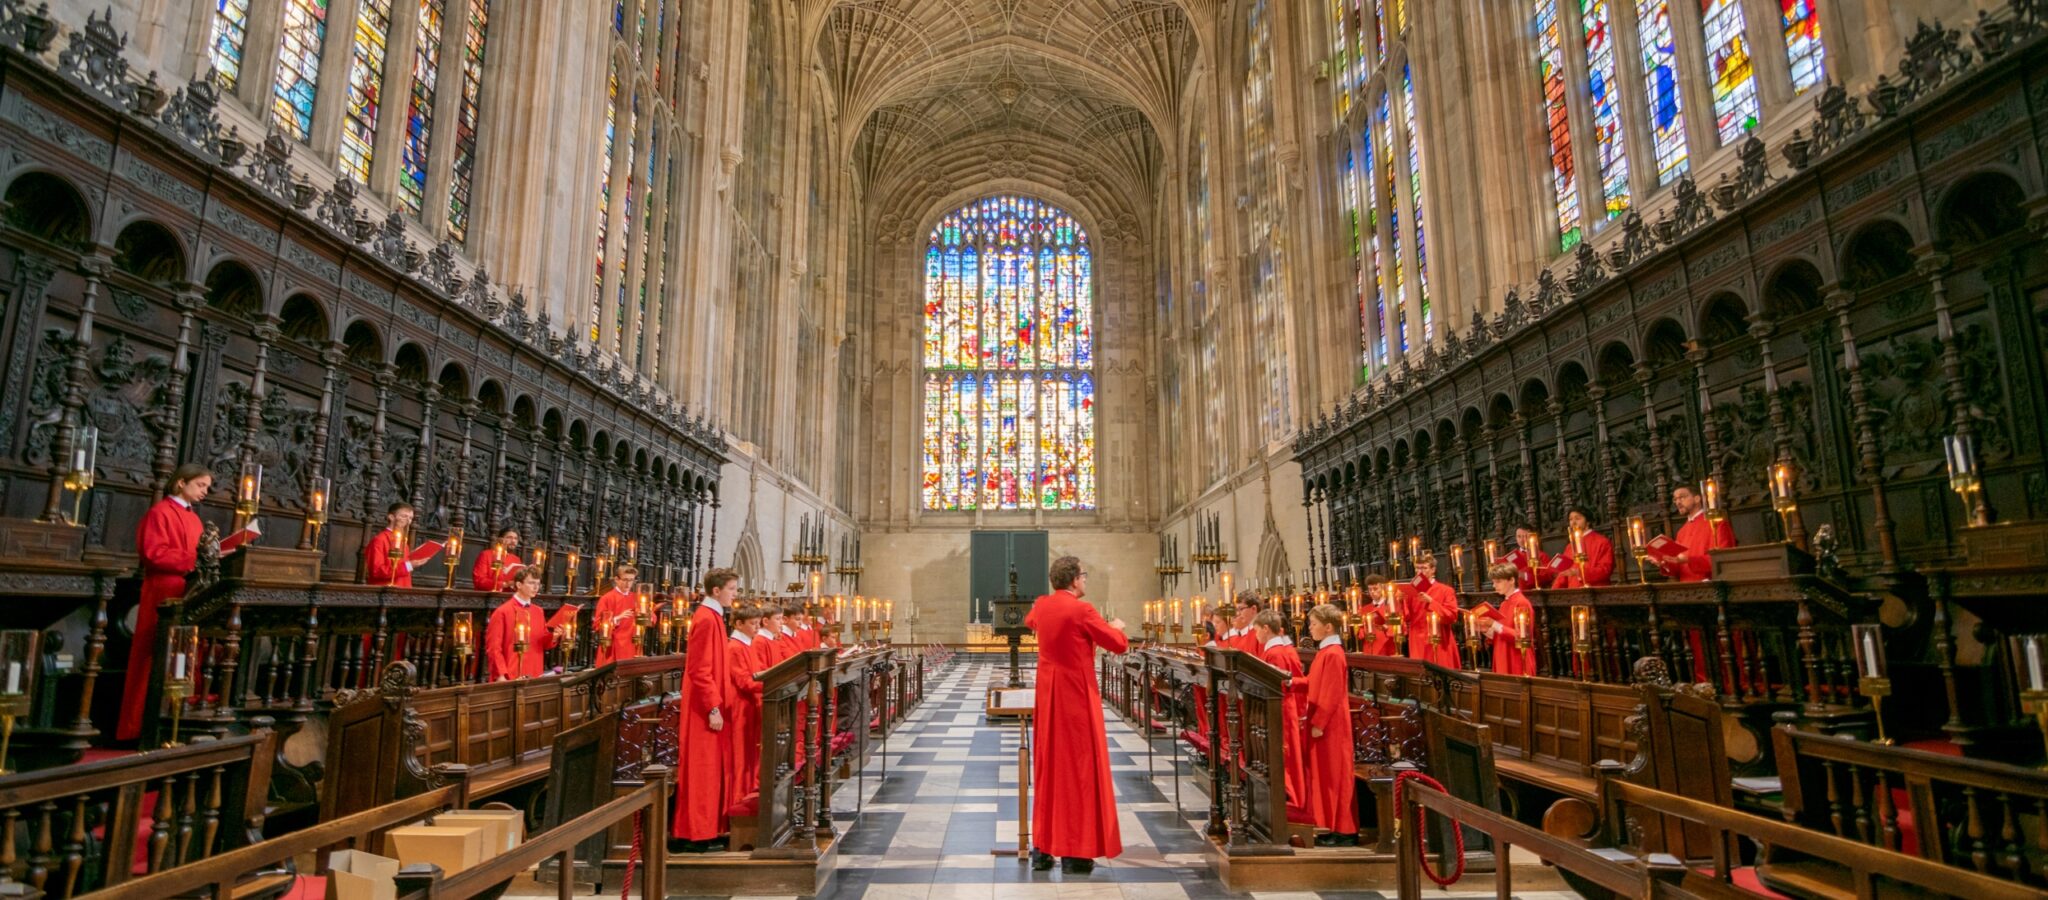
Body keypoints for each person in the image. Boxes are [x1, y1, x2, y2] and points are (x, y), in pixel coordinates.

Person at [1026, 556, 1128, 874]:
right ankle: (1076, 851)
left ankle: (1043, 848)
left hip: (1048, 695)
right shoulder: (1082, 610)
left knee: (1049, 769)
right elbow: (1119, 645)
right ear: (1073, 580)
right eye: (1083, 575)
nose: (1085, 580)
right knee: (1079, 770)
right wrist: (1116, 627)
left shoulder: (1042, 604)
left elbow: (1031, 620)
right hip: (1076, 698)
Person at [119, 463, 212, 741]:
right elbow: (153, 553)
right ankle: (139, 728)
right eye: (201, 485)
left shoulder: (194, 519)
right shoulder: (159, 513)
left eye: (207, 487)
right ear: (181, 483)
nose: (205, 491)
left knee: (186, 656)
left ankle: (176, 722)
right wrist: (195, 560)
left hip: (191, 591)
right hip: (163, 590)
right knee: (154, 654)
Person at [672, 568, 735, 852]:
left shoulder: (714, 617)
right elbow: (699, 669)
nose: (735, 594)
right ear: (716, 591)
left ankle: (709, 827)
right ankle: (694, 833)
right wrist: (712, 707)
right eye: (732, 589)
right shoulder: (706, 619)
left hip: (712, 704)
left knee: (711, 771)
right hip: (702, 709)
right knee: (701, 770)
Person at [1300, 604, 1358, 845]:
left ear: (1328, 627)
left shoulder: (1333, 653)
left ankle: (1344, 830)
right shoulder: (1326, 652)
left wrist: (1319, 722)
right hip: (1323, 723)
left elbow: (1331, 693)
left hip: (1331, 726)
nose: (1310, 629)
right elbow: (1314, 683)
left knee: (1335, 777)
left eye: (1313, 624)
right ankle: (1331, 825)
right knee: (1326, 776)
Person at [1252, 610, 1306, 810]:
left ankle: (1291, 802)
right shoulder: (1277, 650)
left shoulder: (1275, 653)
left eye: (1257, 630)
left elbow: (1281, 685)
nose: (1256, 635)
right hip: (1282, 710)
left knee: (1287, 759)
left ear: (1266, 629)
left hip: (1281, 712)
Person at [724, 605, 765, 802]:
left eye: (758, 623)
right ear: (739, 624)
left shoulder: (748, 644)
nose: (757, 628)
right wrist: (770, 683)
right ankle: (739, 797)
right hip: (740, 706)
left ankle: (750, 789)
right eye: (753, 624)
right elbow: (744, 681)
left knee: (752, 751)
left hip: (752, 704)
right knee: (741, 755)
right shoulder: (734, 647)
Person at [485, 567, 555, 680]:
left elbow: (541, 642)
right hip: (510, 674)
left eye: (538, 583)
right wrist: (501, 675)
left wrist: (555, 635)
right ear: (519, 585)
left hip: (534, 672)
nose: (536, 587)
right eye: (531, 583)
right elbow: (493, 648)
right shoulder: (502, 611)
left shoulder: (538, 611)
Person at [1664, 485, 1737, 582]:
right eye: (1675, 499)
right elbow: (1678, 569)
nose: (1678, 502)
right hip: (1685, 589)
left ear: (1697, 499)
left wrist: (1689, 559)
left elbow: (1723, 559)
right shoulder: (1682, 532)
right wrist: (1664, 561)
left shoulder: (1717, 524)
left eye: (1682, 497)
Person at [1406, 553, 1461, 669]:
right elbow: (1405, 617)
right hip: (1417, 641)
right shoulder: (1411, 591)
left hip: (1439, 640)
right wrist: (1399, 600)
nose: (1420, 572)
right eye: (1417, 568)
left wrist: (1431, 602)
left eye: (1424, 568)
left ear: (1433, 570)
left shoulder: (1445, 590)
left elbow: (1451, 616)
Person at [1482, 563, 1537, 675]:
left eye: (1498, 581)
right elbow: (1501, 634)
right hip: (1502, 653)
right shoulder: (1504, 603)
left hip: (1516, 657)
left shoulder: (1521, 602)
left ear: (1512, 580)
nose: (1494, 585)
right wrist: (1485, 629)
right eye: (1493, 582)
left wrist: (1493, 624)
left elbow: (1522, 636)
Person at [1551, 508, 1615, 589]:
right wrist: (1554, 590)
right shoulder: (1570, 546)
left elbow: (1605, 569)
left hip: (1596, 591)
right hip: (1573, 592)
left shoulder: (1602, 542)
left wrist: (1580, 573)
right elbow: (1563, 574)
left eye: (1577, 518)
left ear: (1588, 521)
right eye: (1570, 519)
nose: (1573, 522)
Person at [593, 564, 640, 665]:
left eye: (631, 580)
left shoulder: (637, 598)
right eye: (625, 580)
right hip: (613, 646)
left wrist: (647, 614)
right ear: (616, 579)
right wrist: (617, 618)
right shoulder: (607, 598)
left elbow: (651, 618)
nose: (628, 584)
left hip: (632, 645)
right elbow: (597, 625)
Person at [363, 502, 418, 587]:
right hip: (384, 591)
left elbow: (404, 571)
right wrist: (408, 566)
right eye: (404, 516)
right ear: (391, 517)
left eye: (410, 518)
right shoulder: (379, 540)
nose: (408, 521)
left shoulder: (403, 542)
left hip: (403, 591)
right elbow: (377, 571)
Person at [1359, 574, 1401, 656]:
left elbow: (1398, 626)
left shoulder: (1391, 607)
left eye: (1375, 589)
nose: (1372, 592)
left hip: (1386, 647)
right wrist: (1363, 630)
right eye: (1370, 589)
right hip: (1370, 648)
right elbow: (1360, 631)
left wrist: (1386, 627)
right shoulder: (1365, 609)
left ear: (1383, 589)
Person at [471, 526, 523, 592]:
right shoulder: (486, 555)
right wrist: (503, 584)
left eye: (516, 539)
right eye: (509, 537)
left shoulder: (516, 559)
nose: (513, 541)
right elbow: (479, 581)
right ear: (500, 539)